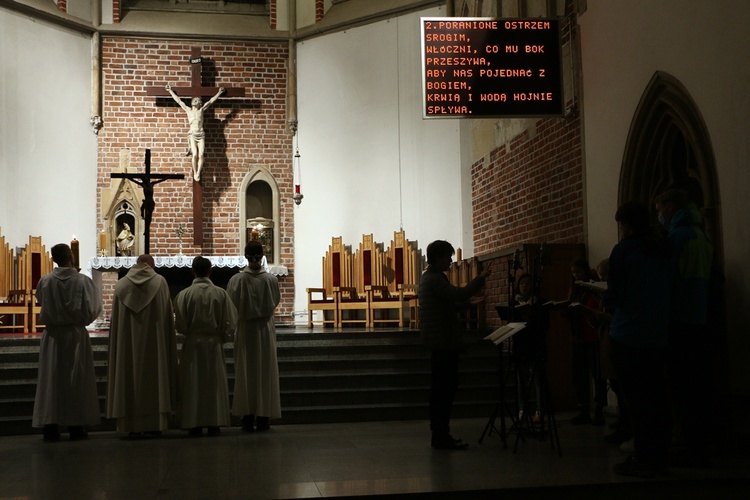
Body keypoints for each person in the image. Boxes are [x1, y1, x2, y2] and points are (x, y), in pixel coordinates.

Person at [604, 201, 673, 478]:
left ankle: (643, 458)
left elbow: (615, 294)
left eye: (620, 224)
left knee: (636, 402)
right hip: (657, 336)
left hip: (628, 334)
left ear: (627, 225)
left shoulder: (625, 251)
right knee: (657, 400)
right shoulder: (663, 248)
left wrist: (607, 300)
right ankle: (659, 457)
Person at [655, 188, 714, 467]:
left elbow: (666, 279)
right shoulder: (701, 234)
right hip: (700, 318)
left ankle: (686, 443)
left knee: (681, 388)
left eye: (659, 209)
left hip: (680, 319)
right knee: (697, 387)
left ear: (670, 207)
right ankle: (699, 443)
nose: (659, 216)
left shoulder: (678, 237)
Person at [418, 240, 490, 450]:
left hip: (439, 342)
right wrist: (480, 278)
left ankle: (440, 435)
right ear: (437, 258)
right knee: (444, 391)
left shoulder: (430, 278)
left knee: (442, 390)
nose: (450, 261)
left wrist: (468, 303)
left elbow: (445, 305)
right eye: (447, 257)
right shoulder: (434, 279)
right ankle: (441, 436)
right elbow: (457, 294)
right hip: (443, 343)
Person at [32, 243, 103, 441]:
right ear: (71, 256)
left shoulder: (45, 281)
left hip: (53, 336)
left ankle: (50, 426)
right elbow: (94, 308)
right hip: (75, 334)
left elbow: (41, 300)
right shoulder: (83, 281)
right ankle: (76, 426)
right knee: (76, 379)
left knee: (51, 380)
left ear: (53, 258)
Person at [106, 254, 178, 438]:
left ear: (137, 264)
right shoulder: (160, 282)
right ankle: (154, 424)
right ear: (151, 265)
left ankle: (131, 426)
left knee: (129, 374)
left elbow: (116, 325)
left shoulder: (121, 285)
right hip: (155, 345)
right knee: (155, 376)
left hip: (128, 347)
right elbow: (167, 318)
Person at [174, 256, 237, 437]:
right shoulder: (220, 293)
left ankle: (193, 423)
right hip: (213, 344)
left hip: (193, 344)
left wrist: (190, 333)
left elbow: (180, 325)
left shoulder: (184, 294)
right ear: (210, 271)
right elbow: (230, 322)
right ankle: (214, 422)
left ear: (193, 271)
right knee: (213, 384)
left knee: (193, 384)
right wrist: (222, 337)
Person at [227, 241, 282, 432]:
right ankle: (264, 417)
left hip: (245, 330)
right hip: (264, 329)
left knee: (245, 372)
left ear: (246, 257)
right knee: (264, 372)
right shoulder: (270, 280)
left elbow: (231, 305)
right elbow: (275, 301)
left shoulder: (236, 280)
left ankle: (247, 417)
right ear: (262, 255)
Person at [565, 258, 607, 426]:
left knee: (598, 375)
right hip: (578, 337)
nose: (576, 275)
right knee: (580, 375)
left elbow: (598, 307)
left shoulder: (594, 287)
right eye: (574, 273)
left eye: (579, 272)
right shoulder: (574, 288)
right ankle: (583, 409)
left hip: (592, 336)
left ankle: (599, 410)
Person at [166, 84, 225, 182]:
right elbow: (179, 101)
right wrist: (170, 91)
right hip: (192, 134)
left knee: (201, 154)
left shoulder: (201, 110)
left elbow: (210, 101)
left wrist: (219, 92)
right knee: (194, 154)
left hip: (201, 134)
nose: (197, 101)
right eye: (195, 100)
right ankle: (195, 172)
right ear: (192, 102)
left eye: (199, 101)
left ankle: (198, 172)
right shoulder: (188, 110)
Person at [512, 272, 549, 424]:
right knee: (521, 380)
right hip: (520, 345)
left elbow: (546, 325)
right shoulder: (513, 302)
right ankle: (522, 410)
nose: (524, 286)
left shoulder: (540, 303)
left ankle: (539, 410)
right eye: (521, 284)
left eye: (527, 283)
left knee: (538, 379)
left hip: (536, 344)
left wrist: (531, 320)